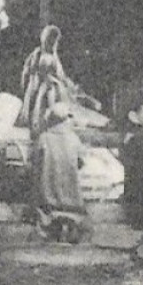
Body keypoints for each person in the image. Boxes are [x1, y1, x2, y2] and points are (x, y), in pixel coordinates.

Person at [33, 101, 87, 242]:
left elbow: (35, 161)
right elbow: (81, 160)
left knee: (46, 195)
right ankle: (71, 226)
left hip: (48, 184)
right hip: (70, 185)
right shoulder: (74, 139)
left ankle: (51, 227)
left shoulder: (43, 138)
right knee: (72, 197)